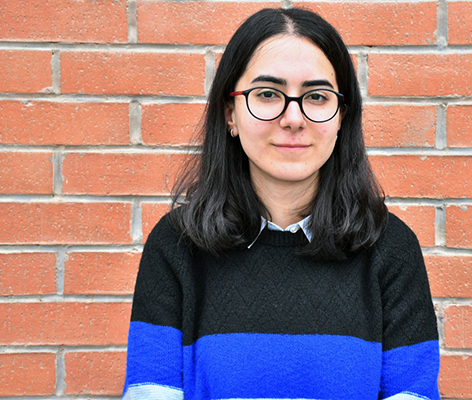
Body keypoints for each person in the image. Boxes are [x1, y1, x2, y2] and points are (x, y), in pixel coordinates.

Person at [123, 7, 440, 400]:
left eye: (317, 96)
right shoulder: (176, 246)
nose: (293, 118)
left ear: (342, 116)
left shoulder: (390, 248)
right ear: (230, 113)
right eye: (268, 94)